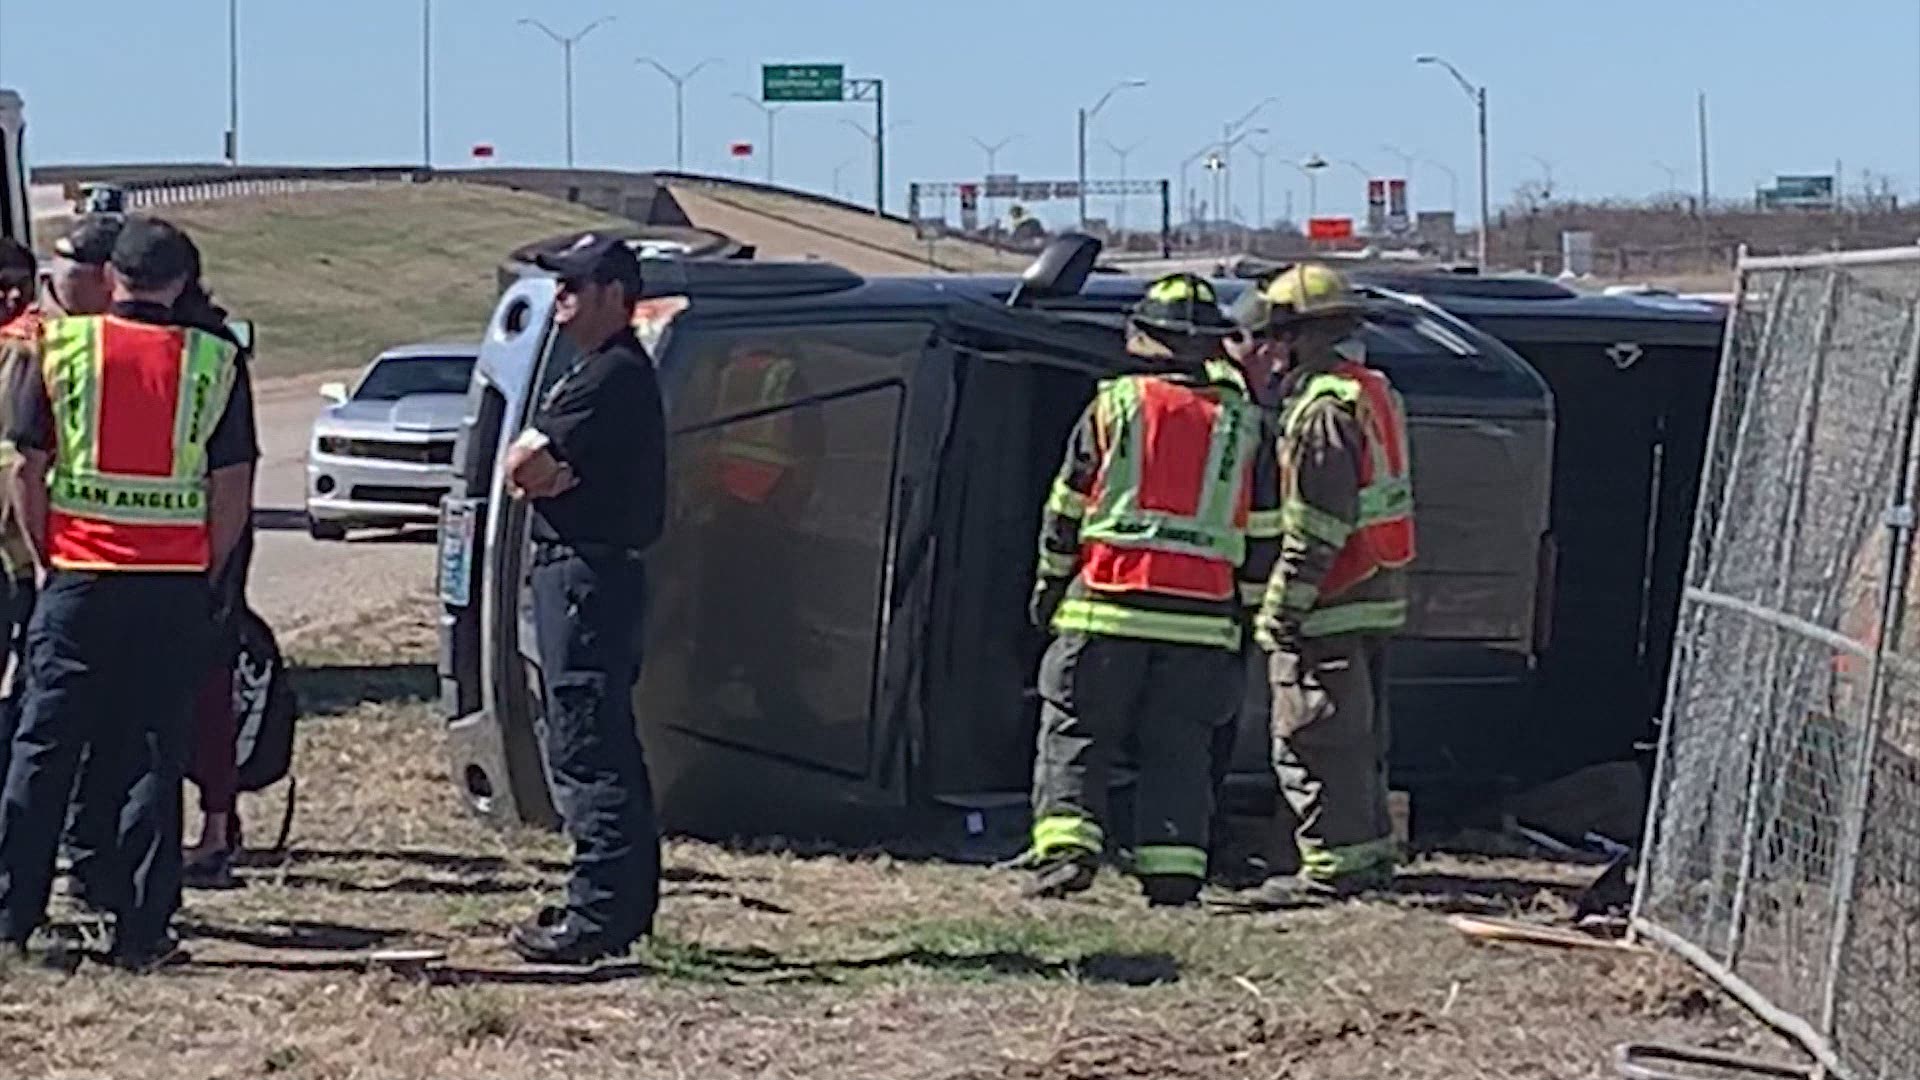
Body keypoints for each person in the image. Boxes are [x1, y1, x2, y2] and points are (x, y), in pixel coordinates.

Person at [0, 216, 257, 968]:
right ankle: (142, 926)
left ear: (112, 277)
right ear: (181, 283)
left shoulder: (59, 347)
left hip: (79, 578)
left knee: (43, 748)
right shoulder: (217, 359)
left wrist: (49, 555)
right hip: (172, 584)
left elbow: (26, 467)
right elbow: (232, 483)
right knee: (154, 750)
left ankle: (14, 915)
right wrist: (208, 568)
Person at [1024, 272, 1280, 908]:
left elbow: (1067, 508)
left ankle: (1067, 853)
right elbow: (1266, 532)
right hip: (1201, 623)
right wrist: (1245, 617)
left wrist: (1050, 587)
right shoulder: (1247, 425)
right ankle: (1173, 875)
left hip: (1105, 606)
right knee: (1181, 750)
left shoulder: (1113, 406)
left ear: (1146, 337)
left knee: (1077, 730)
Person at [1228, 263, 1416, 905]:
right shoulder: (1371, 390)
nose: (1267, 350)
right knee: (1356, 740)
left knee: (1313, 735)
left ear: (1299, 337)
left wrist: (1281, 608)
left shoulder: (1319, 414)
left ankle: (1332, 869)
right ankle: (1364, 859)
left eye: (1275, 336)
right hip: (1374, 592)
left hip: (1331, 600)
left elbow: (1315, 528)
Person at [501, 234, 666, 964]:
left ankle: (597, 915)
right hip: (580, 574)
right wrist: (536, 471)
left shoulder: (611, 376)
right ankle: (614, 905)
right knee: (597, 739)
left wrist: (540, 470)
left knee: (586, 744)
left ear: (613, 294)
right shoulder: (590, 372)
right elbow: (523, 470)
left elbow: (526, 462)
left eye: (573, 287)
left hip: (586, 578)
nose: (560, 301)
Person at [0, 217, 124, 900]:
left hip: (52, 557)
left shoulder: (47, 344)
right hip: (42, 557)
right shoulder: (47, 348)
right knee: (50, 727)